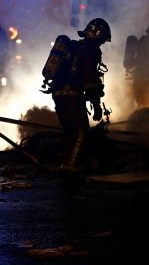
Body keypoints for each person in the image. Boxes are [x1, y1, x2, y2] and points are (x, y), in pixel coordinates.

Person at [45, 18, 111, 172]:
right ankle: (70, 167)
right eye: (102, 40)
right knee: (80, 133)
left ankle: (67, 163)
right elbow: (90, 80)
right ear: (99, 36)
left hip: (58, 94)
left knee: (69, 131)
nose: (101, 44)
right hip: (72, 95)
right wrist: (96, 105)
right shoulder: (91, 50)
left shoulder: (73, 47)